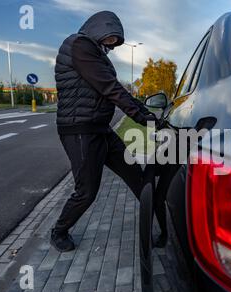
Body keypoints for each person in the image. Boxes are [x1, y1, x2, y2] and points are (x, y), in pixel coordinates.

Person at [52, 11, 156, 252]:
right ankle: (58, 230)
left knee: (135, 175)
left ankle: (155, 222)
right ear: (97, 29)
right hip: (79, 130)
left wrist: (145, 112)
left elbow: (117, 89)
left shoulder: (95, 52)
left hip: (100, 128)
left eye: (114, 42)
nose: (111, 45)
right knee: (87, 191)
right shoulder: (79, 45)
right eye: (109, 39)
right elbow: (109, 88)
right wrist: (141, 117)